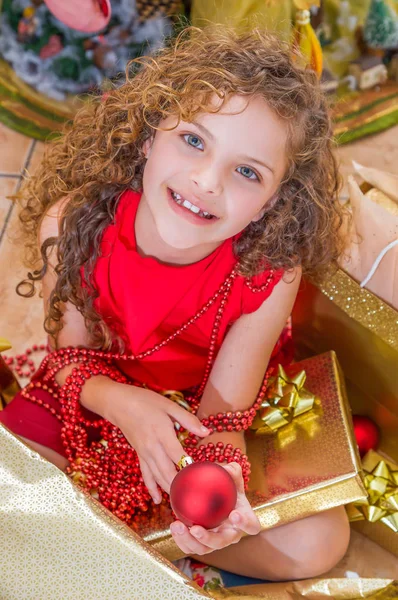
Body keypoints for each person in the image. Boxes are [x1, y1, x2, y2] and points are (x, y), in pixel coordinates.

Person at [0, 26, 350, 581]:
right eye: (193, 139)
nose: (206, 181)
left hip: (198, 420)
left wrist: (218, 485)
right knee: (6, 483)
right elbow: (68, 363)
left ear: (269, 203)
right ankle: (125, 536)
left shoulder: (270, 273)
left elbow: (224, 412)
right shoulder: (71, 224)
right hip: (96, 399)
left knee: (319, 542)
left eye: (247, 172)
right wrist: (125, 407)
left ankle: (133, 536)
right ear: (148, 137)